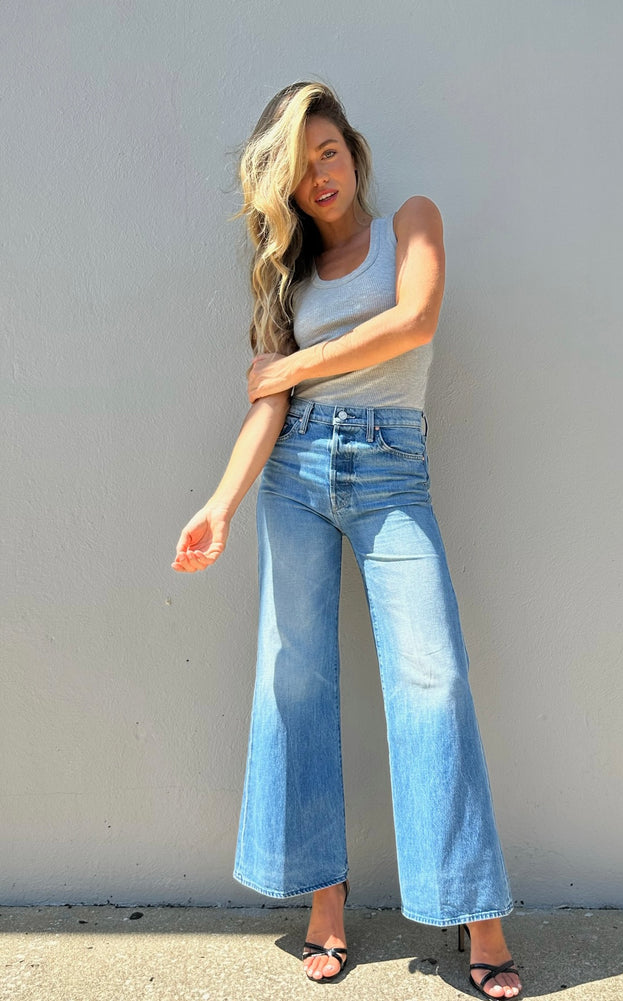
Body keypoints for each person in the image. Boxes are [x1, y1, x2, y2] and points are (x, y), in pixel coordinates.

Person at [172, 81, 522, 999]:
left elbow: (414, 321)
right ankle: (324, 902)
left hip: (391, 471)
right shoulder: (288, 279)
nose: (318, 174)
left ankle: (473, 911)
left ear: (354, 153)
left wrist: (293, 362)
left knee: (433, 678)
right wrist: (221, 503)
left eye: (327, 151)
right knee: (294, 676)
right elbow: (269, 403)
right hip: (293, 475)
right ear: (286, 188)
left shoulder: (413, 222)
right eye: (299, 166)